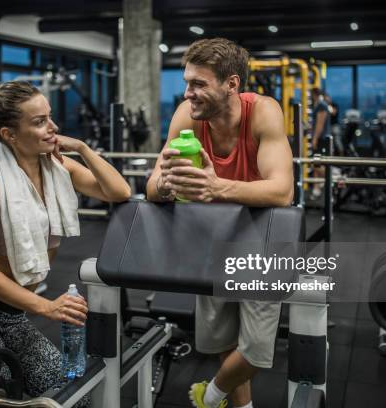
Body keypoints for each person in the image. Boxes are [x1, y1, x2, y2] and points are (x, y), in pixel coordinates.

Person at [0, 81, 130, 400]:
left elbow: (119, 192)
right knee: (8, 398)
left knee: (67, 397)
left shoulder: (60, 167)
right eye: (39, 122)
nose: (53, 127)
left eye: (50, 117)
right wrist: (47, 307)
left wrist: (84, 149)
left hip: (12, 316)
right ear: (9, 134)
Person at [146, 38, 293, 408]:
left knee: (257, 350)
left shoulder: (263, 112)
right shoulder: (187, 117)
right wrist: (167, 184)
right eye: (186, 82)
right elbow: (152, 187)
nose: (187, 93)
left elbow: (282, 191)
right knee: (222, 340)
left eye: (198, 84)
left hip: (261, 238)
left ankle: (209, 397)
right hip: (210, 239)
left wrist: (215, 187)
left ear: (231, 84)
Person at [310, 87, 331, 198]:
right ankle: (316, 188)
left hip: (322, 139)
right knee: (316, 163)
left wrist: (315, 139)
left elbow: (320, 124)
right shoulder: (319, 104)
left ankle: (332, 179)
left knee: (316, 164)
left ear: (315, 94)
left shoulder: (322, 105)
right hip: (320, 138)